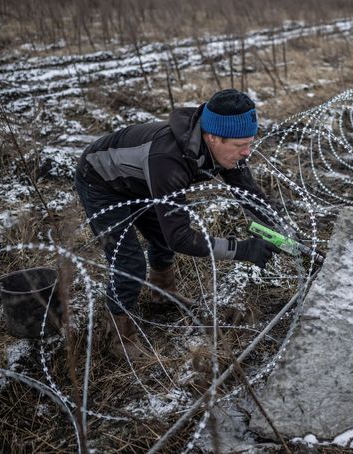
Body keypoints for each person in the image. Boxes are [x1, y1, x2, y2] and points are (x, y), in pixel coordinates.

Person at [75, 89, 279, 360]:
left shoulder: (223, 149)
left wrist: (281, 233)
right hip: (102, 180)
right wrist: (241, 250)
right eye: (240, 145)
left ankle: (162, 293)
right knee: (129, 262)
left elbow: (249, 193)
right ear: (213, 137)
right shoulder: (168, 159)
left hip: (143, 182)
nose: (247, 152)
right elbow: (181, 238)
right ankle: (119, 338)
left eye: (250, 142)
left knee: (160, 235)